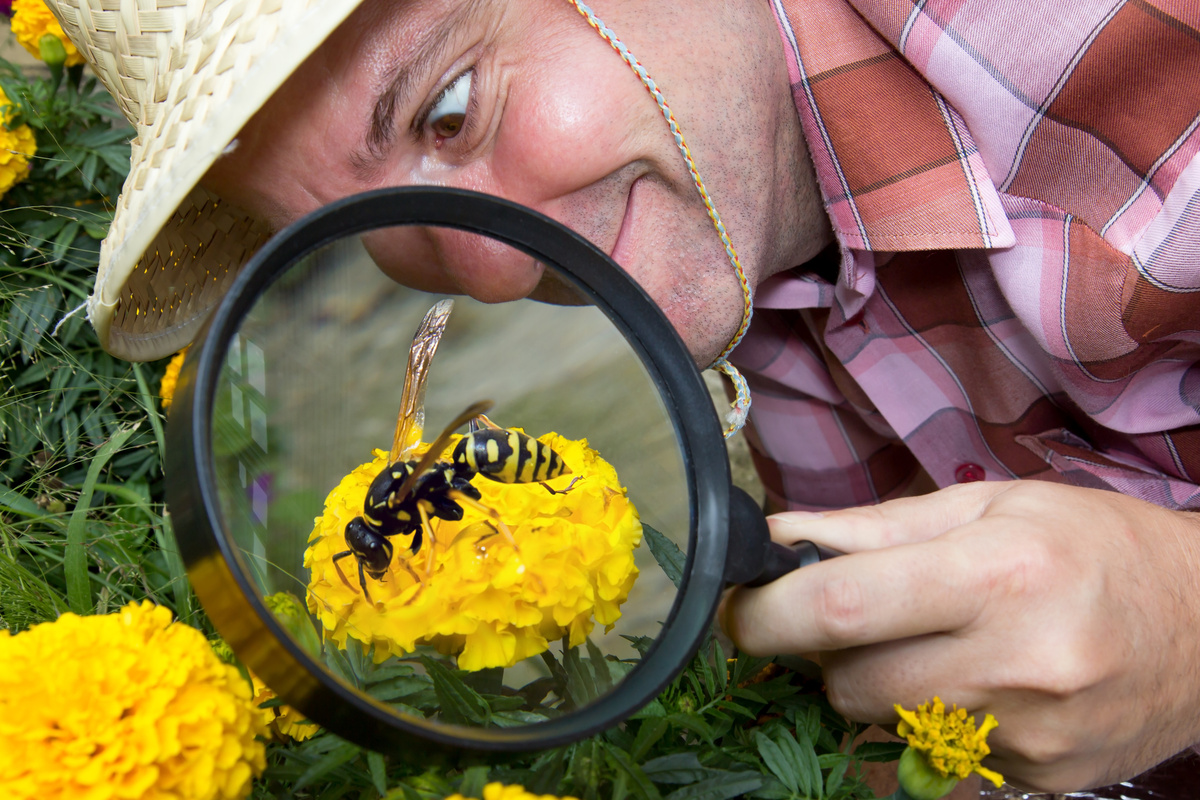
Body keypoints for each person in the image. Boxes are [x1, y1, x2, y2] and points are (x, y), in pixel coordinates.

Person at [46, 0, 1200, 793]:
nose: (494, 271)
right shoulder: (748, 259)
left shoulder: (1129, 54)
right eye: (384, 236)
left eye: (452, 110)